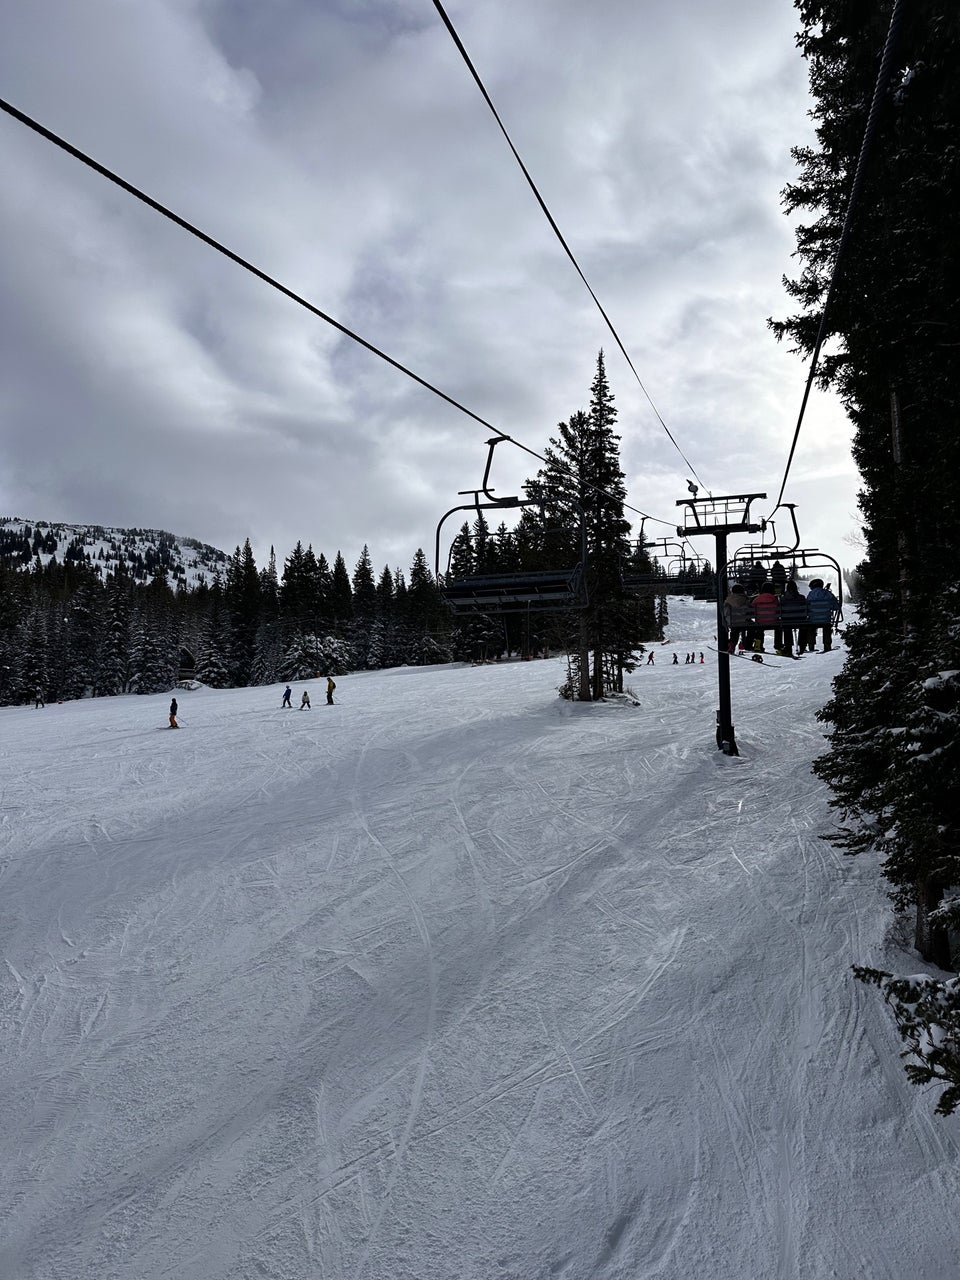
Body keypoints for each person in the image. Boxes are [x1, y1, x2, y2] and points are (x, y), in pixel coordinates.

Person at [805, 578, 841, 651]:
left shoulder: (810, 595)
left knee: (811, 627)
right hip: (826, 620)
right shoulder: (828, 594)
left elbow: (807, 608)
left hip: (813, 620)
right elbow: (836, 607)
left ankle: (811, 646)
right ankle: (827, 645)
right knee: (827, 626)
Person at [777, 579, 807, 655]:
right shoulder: (802, 597)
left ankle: (788, 647)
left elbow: (780, 611)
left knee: (787, 627)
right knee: (803, 627)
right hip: (800, 620)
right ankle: (802, 645)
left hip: (787, 620)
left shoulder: (783, 599)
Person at [722, 583, 753, 653]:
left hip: (732, 621)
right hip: (744, 621)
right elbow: (750, 610)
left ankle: (732, 644)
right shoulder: (745, 599)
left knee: (735, 630)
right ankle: (748, 644)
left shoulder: (728, 599)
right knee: (752, 627)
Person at [750, 581, 780, 651]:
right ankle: (778, 645)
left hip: (760, 621)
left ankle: (758, 645)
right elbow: (778, 609)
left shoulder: (757, 599)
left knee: (759, 630)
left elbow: (752, 608)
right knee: (779, 628)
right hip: (773, 621)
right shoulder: (775, 599)